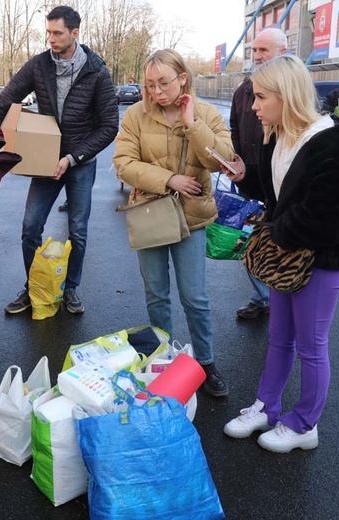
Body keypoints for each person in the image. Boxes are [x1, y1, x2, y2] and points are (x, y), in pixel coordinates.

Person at [222, 55, 339, 452]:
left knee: (311, 345)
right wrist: (245, 177)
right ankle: (267, 406)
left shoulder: (330, 143)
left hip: (323, 259)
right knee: (279, 337)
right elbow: (279, 194)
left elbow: (331, 217)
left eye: (261, 97)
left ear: (286, 96)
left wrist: (273, 232)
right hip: (289, 254)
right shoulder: (281, 136)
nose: (253, 106)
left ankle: (305, 424)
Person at [112, 49, 234, 397]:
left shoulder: (206, 113)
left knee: (195, 297)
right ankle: (162, 358)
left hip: (191, 216)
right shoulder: (135, 115)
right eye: (150, 85)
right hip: (150, 212)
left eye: (163, 83)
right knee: (156, 295)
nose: (156, 92)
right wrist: (169, 179)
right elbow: (123, 162)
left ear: (183, 78)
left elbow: (222, 162)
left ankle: (206, 363)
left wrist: (193, 124)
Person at [0, 5, 118, 315]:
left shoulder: (96, 71)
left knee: (78, 231)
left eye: (57, 33)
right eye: (48, 32)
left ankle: (70, 288)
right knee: (30, 226)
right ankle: (35, 287)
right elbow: (5, 100)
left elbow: (109, 126)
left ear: (75, 33)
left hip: (80, 163)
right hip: (45, 161)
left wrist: (74, 157)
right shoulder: (39, 66)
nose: (51, 39)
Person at [230, 28, 287, 320]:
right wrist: (238, 161)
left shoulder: (294, 90)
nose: (257, 56)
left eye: (264, 50)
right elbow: (234, 128)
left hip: (281, 180)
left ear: (283, 52)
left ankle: (282, 295)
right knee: (251, 237)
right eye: (254, 51)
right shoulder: (242, 90)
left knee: (280, 239)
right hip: (249, 178)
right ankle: (262, 297)